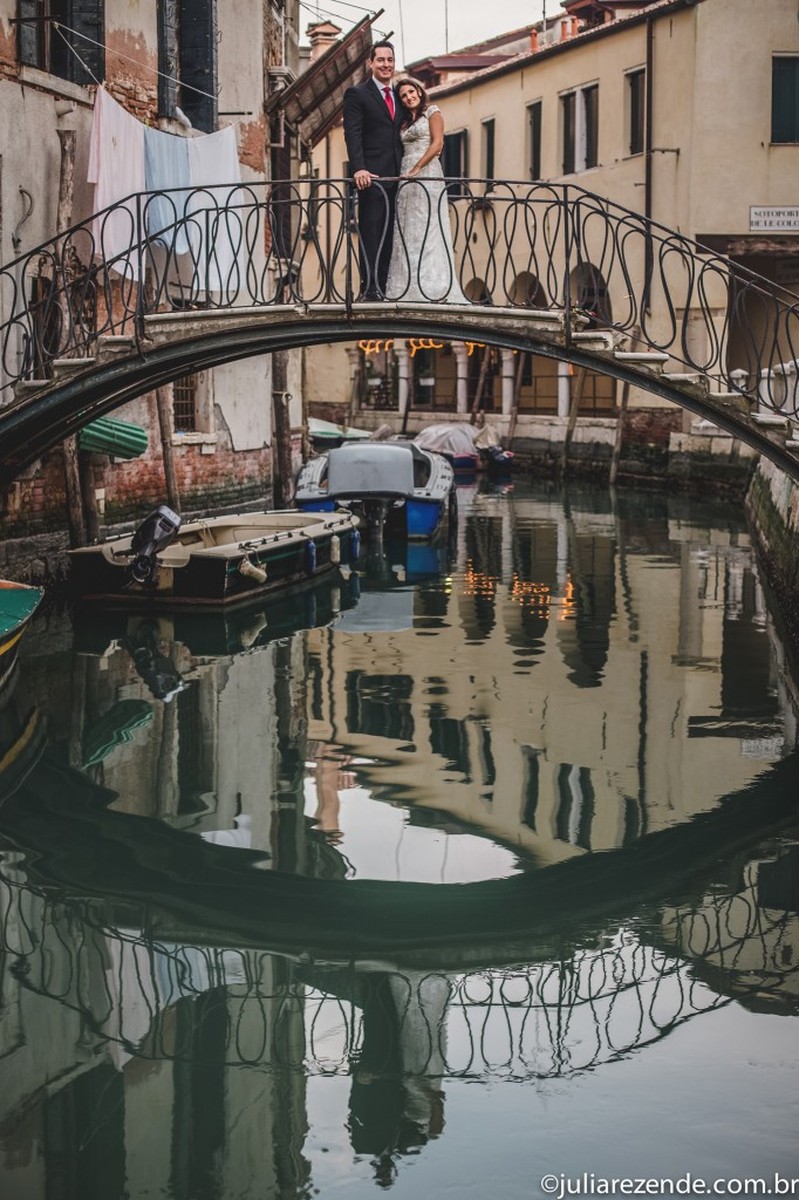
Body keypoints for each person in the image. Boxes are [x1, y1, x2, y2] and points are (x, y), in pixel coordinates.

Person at [385, 78, 468, 304]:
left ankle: (433, 286)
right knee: (408, 226)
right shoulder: (402, 122)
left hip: (427, 171)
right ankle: (406, 285)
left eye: (411, 92)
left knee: (429, 224)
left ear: (420, 92)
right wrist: (408, 171)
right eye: (403, 95)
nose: (409, 97)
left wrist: (417, 168)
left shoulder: (433, 112)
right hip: (406, 173)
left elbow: (437, 143)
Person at [342, 41, 404, 300]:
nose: (386, 64)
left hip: (398, 176)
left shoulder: (400, 95)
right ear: (371, 63)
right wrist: (359, 169)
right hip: (372, 177)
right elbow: (352, 134)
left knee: (391, 233)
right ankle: (369, 288)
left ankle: (387, 285)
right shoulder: (358, 94)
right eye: (380, 60)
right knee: (371, 230)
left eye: (390, 60)